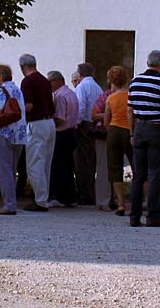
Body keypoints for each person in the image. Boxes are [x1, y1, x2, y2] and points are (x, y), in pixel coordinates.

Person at [127, 50, 160, 227]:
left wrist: (132, 133)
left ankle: (134, 215)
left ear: (148, 63)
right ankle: (153, 215)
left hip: (139, 127)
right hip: (156, 128)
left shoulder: (135, 81)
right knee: (154, 173)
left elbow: (129, 110)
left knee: (138, 174)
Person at [0, 63, 27, 215]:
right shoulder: (17, 90)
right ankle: (11, 201)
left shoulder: (1, 91)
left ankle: (9, 204)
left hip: (4, 133)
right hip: (19, 134)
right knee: (12, 169)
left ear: (1, 76)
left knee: (4, 169)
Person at [20, 54, 56, 212]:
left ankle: (40, 200)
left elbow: (28, 106)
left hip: (36, 123)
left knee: (35, 163)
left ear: (23, 67)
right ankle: (43, 197)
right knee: (46, 163)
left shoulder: (27, 81)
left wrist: (16, 109)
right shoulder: (45, 81)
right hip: (50, 122)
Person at [72, 63, 104, 205]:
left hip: (84, 125)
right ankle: (91, 193)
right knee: (91, 161)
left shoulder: (82, 86)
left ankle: (85, 194)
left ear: (80, 74)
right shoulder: (97, 87)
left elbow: (80, 107)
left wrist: (76, 124)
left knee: (81, 161)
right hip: (94, 125)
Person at [102, 66, 132, 216]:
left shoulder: (110, 98)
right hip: (130, 131)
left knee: (115, 167)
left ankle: (120, 203)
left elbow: (106, 120)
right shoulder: (131, 96)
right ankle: (142, 200)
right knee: (138, 165)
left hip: (114, 131)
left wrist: (110, 129)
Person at [49, 71, 80, 207]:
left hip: (62, 133)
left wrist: (49, 123)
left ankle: (60, 197)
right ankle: (70, 197)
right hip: (72, 132)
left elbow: (60, 119)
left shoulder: (60, 96)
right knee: (67, 166)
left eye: (50, 82)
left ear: (57, 81)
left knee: (58, 167)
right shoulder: (71, 93)